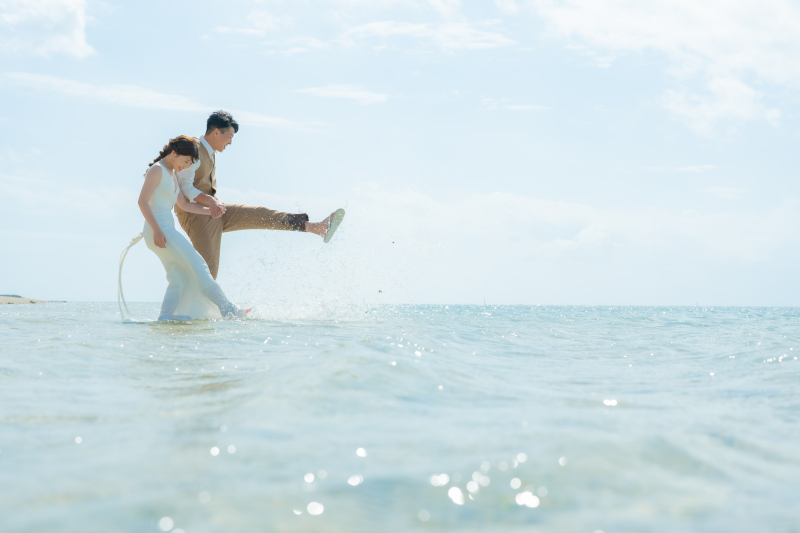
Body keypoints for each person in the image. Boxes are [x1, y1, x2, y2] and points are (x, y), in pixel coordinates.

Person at [175, 110, 345, 279]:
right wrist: (210, 201)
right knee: (208, 273)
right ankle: (199, 305)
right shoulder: (194, 150)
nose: (231, 142)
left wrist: (212, 203)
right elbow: (185, 188)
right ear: (216, 132)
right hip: (197, 216)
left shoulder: (210, 152)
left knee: (261, 214)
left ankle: (316, 227)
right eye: (230, 136)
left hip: (215, 210)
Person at [136, 135, 249, 321]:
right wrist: (156, 229)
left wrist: (211, 210)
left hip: (164, 231)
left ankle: (165, 316)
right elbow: (142, 201)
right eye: (186, 161)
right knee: (199, 266)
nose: (187, 166)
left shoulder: (172, 174)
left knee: (178, 277)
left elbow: (186, 205)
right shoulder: (157, 170)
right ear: (174, 153)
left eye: (190, 163)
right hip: (160, 230)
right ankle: (228, 309)